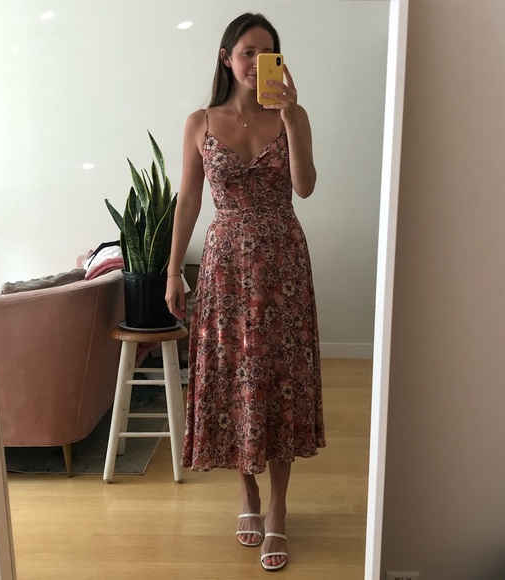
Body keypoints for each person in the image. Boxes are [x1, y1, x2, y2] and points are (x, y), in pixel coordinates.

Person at [165, 12, 325, 572]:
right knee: (236, 375)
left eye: (266, 52)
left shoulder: (292, 115)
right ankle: (247, 495)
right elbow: (188, 201)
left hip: (282, 261)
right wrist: (171, 271)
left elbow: (304, 187)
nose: (256, 63)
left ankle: (278, 505)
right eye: (246, 52)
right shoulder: (199, 122)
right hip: (225, 267)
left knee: (280, 377)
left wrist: (292, 118)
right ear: (226, 58)